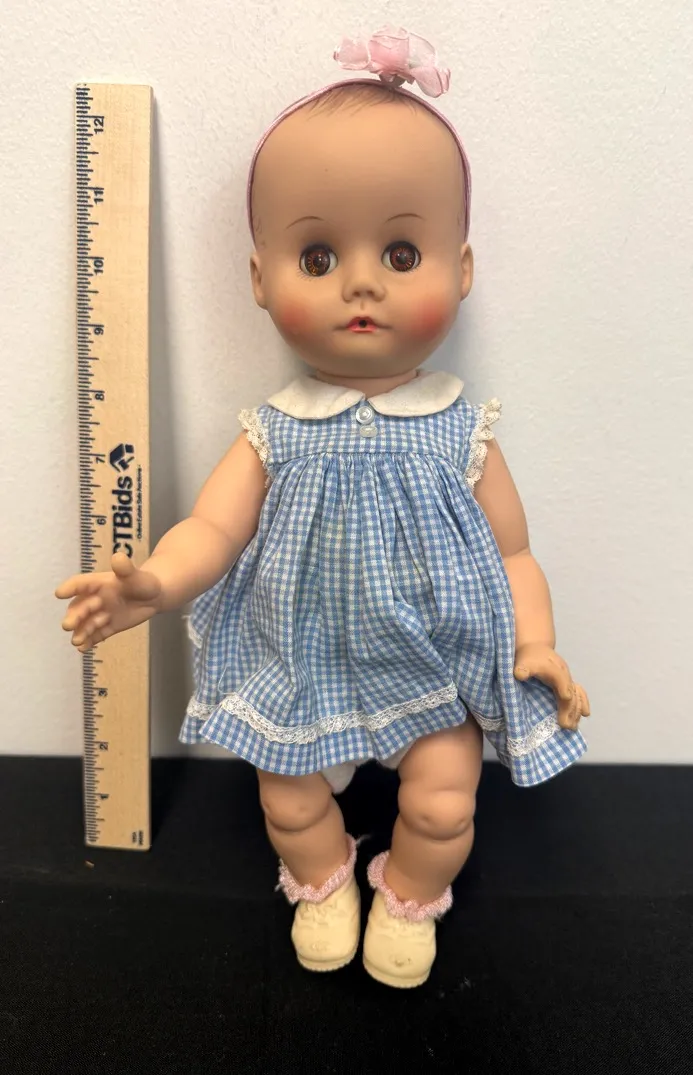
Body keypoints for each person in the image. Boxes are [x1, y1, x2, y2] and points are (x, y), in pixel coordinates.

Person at [57, 27, 590, 989]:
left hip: (433, 659)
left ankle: (410, 894)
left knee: (442, 805)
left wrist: (536, 641)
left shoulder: (461, 428)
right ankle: (322, 880)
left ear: (462, 268)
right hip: (297, 661)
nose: (360, 280)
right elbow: (215, 527)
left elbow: (512, 552)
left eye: (400, 250)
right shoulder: (274, 429)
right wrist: (157, 583)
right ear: (258, 280)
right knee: (289, 801)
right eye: (316, 255)